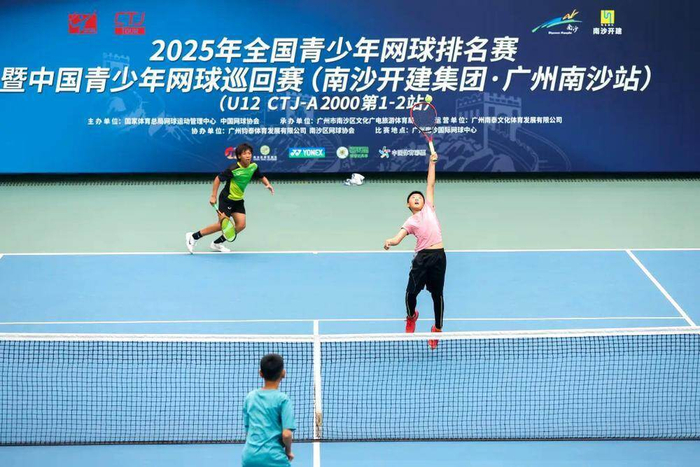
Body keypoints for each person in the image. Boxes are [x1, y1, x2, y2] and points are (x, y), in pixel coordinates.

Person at [384, 154, 446, 349]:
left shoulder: (429, 208)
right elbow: (398, 237)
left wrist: (432, 163)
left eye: (419, 197)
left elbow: (430, 183)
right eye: (413, 198)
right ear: (408, 205)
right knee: (411, 293)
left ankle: (437, 329)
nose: (417, 198)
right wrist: (390, 242)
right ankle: (411, 316)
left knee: (438, 295)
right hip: (422, 258)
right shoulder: (410, 221)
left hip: (439, 257)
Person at [186, 143, 274, 253]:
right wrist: (213, 196)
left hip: (238, 200)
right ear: (239, 156)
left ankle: (217, 243)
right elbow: (218, 179)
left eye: (249, 153)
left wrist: (267, 184)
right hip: (226, 199)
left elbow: (261, 176)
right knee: (220, 225)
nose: (248, 156)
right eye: (245, 154)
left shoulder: (253, 167)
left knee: (241, 225)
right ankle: (193, 236)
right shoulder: (233, 169)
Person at [242, 353, 296, 467]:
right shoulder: (283, 400)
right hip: (274, 458)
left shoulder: (250, 397)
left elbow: (248, 431)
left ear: (260, 373)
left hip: (249, 458)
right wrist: (288, 451)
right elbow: (286, 434)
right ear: (283, 373)